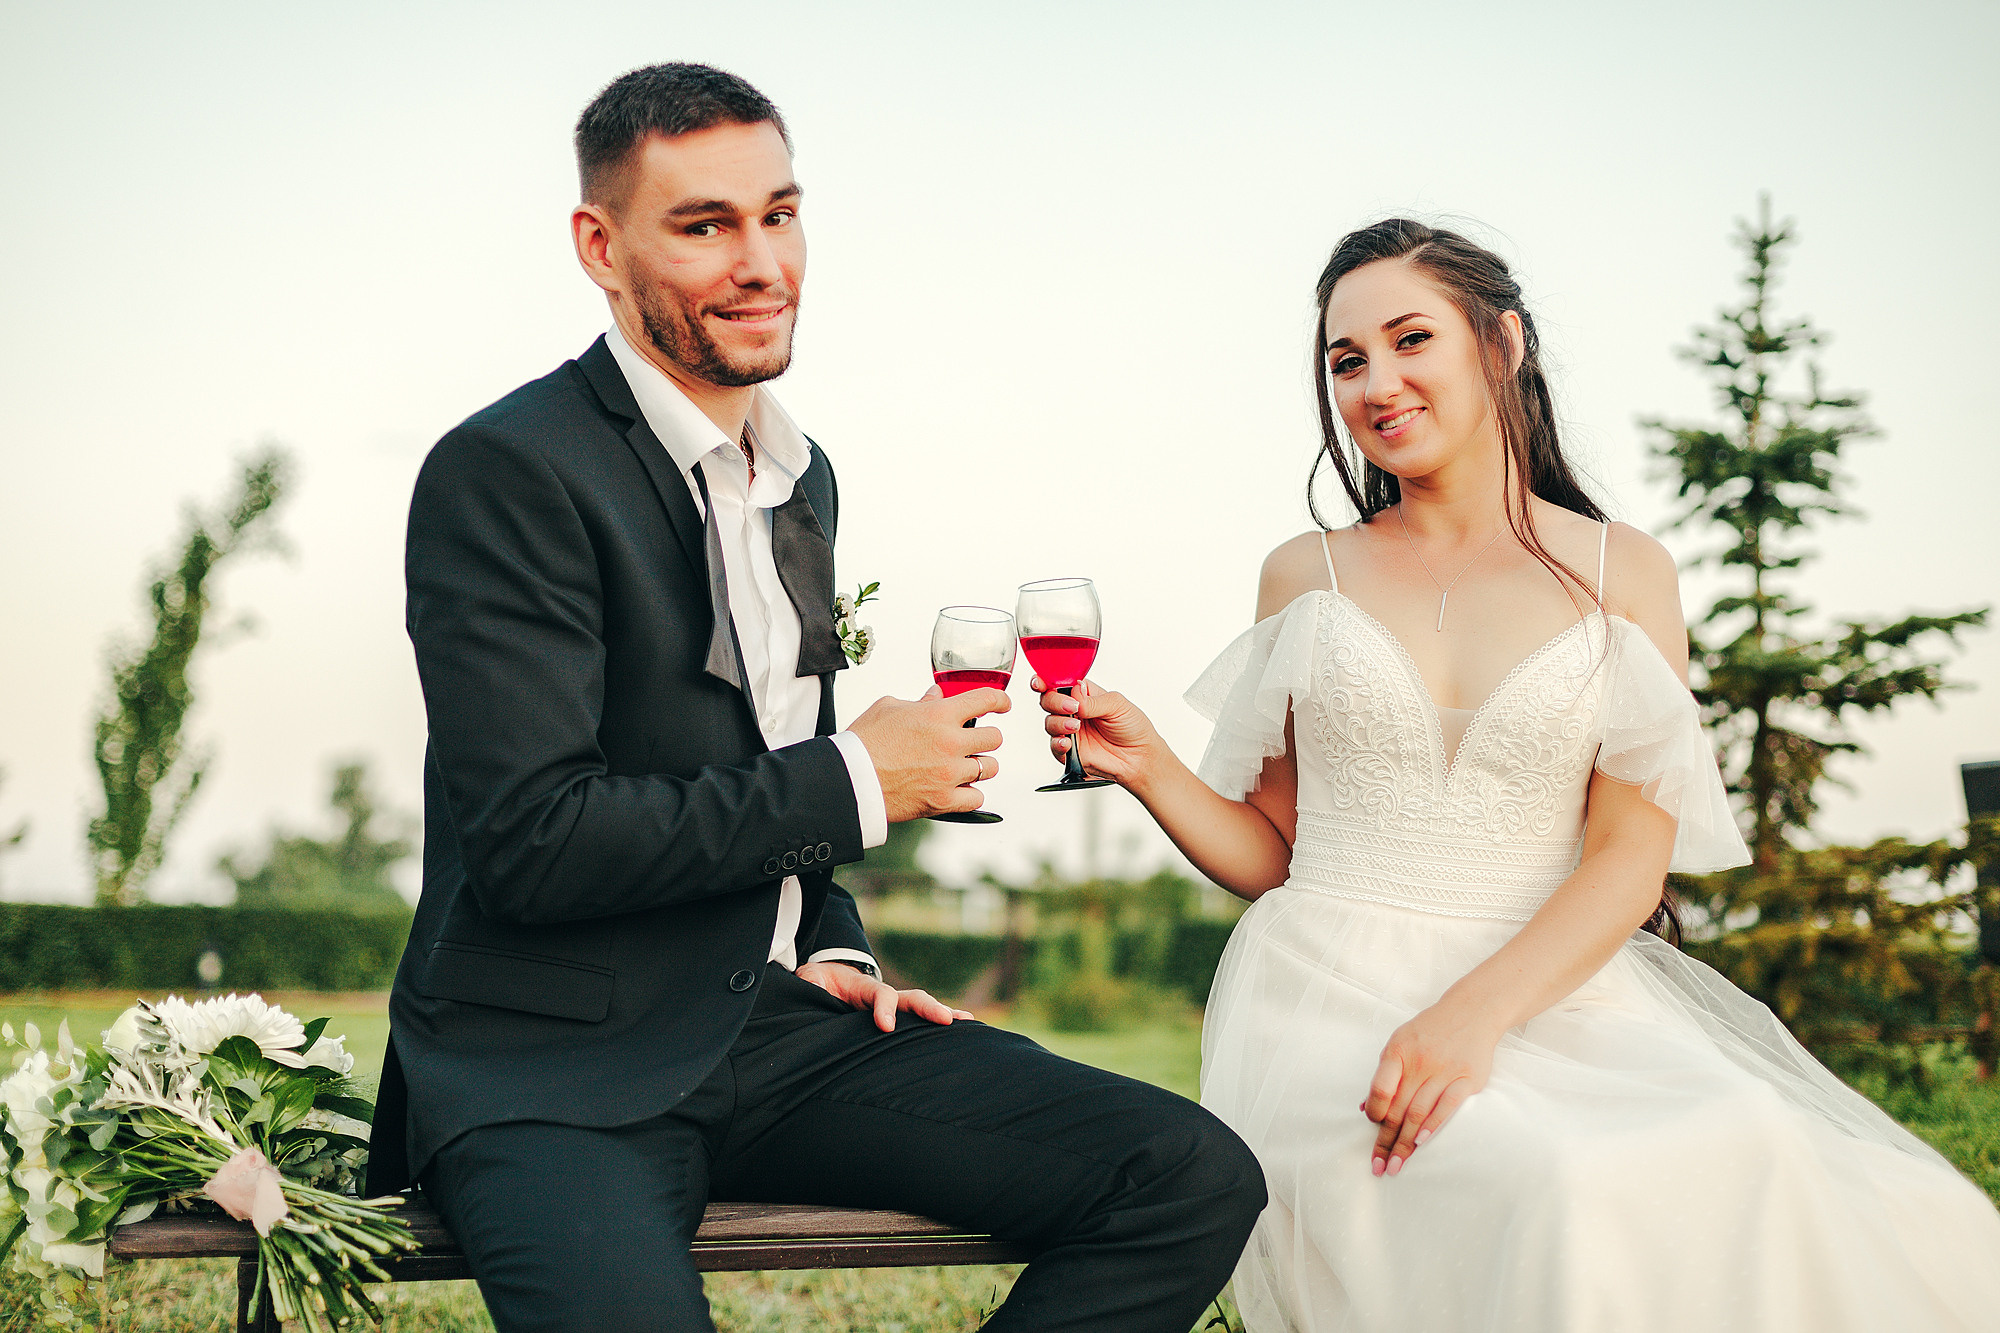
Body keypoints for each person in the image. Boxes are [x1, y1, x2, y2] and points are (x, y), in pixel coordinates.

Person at [364, 62, 1264, 1333]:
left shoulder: (801, 477)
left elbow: (756, 759)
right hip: (554, 1072)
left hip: (774, 1037)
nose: (760, 262)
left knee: (1185, 1176)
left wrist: (827, 939)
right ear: (599, 246)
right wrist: (858, 781)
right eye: (703, 225)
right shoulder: (505, 472)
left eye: (779, 214)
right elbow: (532, 843)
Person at [1036, 218, 2000, 1330]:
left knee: (1757, 1140)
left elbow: (1631, 857)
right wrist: (1148, 763)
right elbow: (1273, 852)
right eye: (1344, 360)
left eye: (1409, 340)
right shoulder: (1305, 574)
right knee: (1551, 1184)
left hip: (1555, 992)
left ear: (1499, 344)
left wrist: (1471, 1018)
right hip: (1326, 991)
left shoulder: (1621, 570)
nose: (1375, 382)